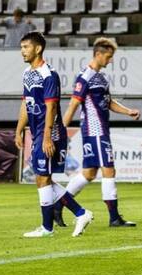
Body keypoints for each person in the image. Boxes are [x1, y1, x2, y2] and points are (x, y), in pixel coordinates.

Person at [14, 31, 93, 238]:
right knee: (43, 178)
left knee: (43, 178)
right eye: (21, 47)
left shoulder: (49, 74)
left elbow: (51, 108)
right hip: (37, 132)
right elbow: (26, 104)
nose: (22, 51)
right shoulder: (27, 73)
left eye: (26, 47)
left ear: (38, 48)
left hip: (51, 132)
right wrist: (19, 129)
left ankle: (48, 227)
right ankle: (80, 213)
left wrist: (47, 137)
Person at [55, 37, 140, 228]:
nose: (110, 60)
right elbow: (73, 105)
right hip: (95, 130)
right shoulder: (85, 77)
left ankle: (58, 205)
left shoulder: (101, 78)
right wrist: (61, 131)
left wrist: (128, 111)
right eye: (108, 56)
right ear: (98, 54)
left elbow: (108, 102)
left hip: (101, 130)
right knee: (108, 169)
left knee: (89, 173)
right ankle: (114, 218)